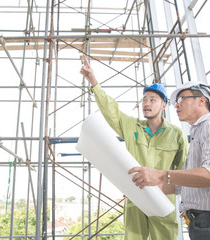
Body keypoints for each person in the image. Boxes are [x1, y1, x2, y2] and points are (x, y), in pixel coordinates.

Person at [80, 54, 188, 240]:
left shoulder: (177, 134)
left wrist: (186, 203)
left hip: (163, 200)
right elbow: (110, 110)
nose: (146, 103)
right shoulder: (131, 126)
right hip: (135, 198)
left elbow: (185, 171)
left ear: (163, 105)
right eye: (144, 99)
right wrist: (94, 82)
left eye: (152, 100)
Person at [129, 81, 210, 239]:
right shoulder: (199, 132)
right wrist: (142, 186)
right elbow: (185, 186)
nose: (176, 105)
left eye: (182, 98)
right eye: (176, 101)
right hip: (205, 222)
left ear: (201, 100)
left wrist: (160, 174)